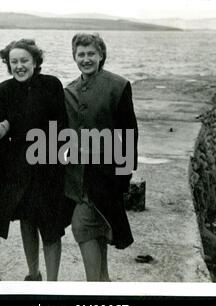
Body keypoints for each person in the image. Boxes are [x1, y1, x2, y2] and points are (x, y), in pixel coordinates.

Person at [0, 39, 69, 281]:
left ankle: (52, 284)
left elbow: (62, 127)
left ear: (36, 62)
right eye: (14, 61)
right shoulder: (3, 90)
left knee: (51, 229)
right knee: (27, 223)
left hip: (49, 167)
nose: (19, 66)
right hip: (19, 170)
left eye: (24, 61)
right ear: (8, 64)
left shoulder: (51, 84)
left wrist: (61, 166)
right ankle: (33, 274)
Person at [64, 33, 138, 281]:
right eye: (81, 54)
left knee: (88, 228)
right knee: (89, 229)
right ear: (74, 57)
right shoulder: (69, 91)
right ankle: (101, 283)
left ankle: (95, 287)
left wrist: (125, 176)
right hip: (79, 179)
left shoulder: (118, 86)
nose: (86, 59)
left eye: (90, 54)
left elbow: (129, 133)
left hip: (107, 177)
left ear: (101, 55)